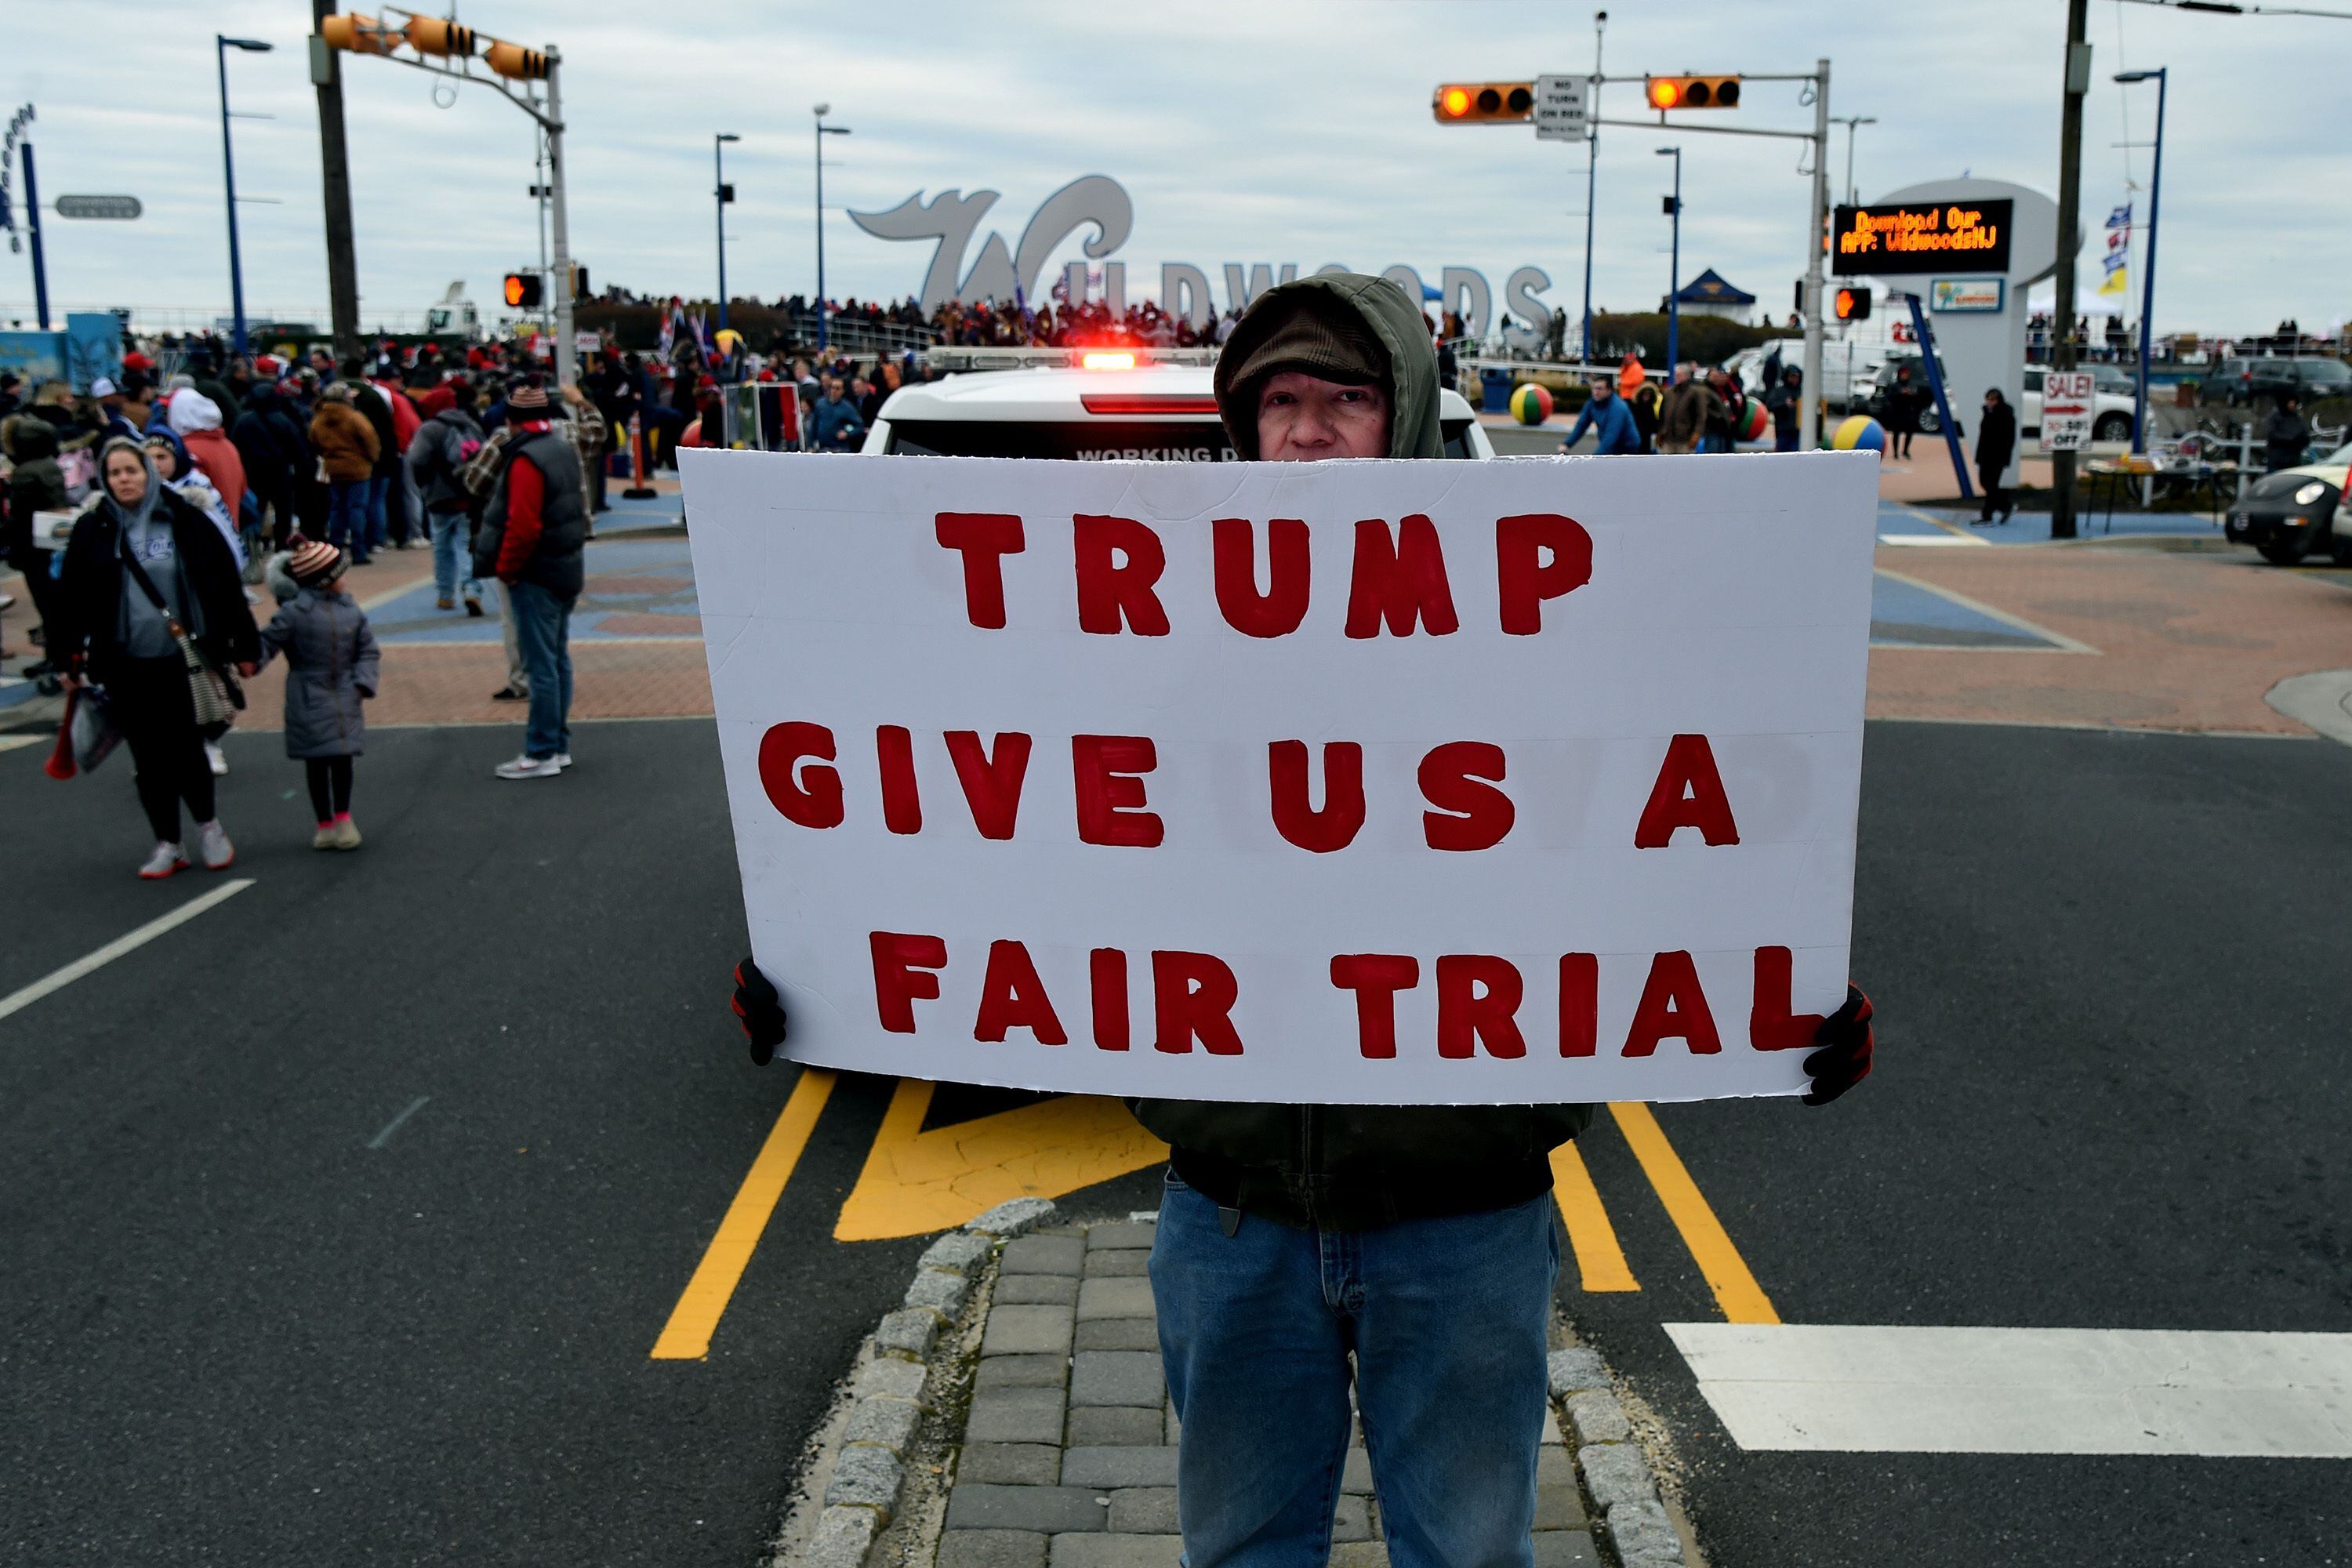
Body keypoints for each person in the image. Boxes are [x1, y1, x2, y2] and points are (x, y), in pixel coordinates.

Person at [728, 272, 1881, 1567]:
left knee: (1468, 1556)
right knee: (1241, 1553)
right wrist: (824, 964)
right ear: (1243, 425)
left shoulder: (1538, 645)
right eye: (1282, 401)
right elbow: (994, 827)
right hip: (1234, 1217)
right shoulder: (1148, 649)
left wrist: (1781, 1002)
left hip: (1466, 1217)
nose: (1313, 431)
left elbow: (1666, 833)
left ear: (1408, 424)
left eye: (1347, 398)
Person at [51, 438, 259, 878]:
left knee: (187, 749)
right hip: (125, 661)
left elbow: (221, 582)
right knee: (147, 758)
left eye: (132, 471)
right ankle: (168, 842)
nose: (123, 480)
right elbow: (71, 598)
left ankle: (209, 826)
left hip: (183, 659)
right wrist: (67, 656)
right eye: (114, 474)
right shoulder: (95, 528)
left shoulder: (184, 518)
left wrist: (243, 645)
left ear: (149, 472)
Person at [467, 379, 600, 778]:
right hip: (565, 566)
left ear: (511, 419)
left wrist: (507, 569)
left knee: (539, 663)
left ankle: (541, 750)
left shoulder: (524, 458)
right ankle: (557, 744)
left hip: (535, 572)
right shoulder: (562, 447)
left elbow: (521, 523)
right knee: (557, 659)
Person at [256, 539, 378, 850]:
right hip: (309, 693)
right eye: (340, 574)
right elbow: (266, 645)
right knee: (318, 762)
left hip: (343, 694)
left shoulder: (351, 611)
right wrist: (247, 657)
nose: (345, 580)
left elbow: (367, 650)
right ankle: (325, 821)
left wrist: (362, 682)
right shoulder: (295, 614)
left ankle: (342, 817)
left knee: (341, 760)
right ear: (326, 579)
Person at [407, 379, 488, 614]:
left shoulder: (430, 428)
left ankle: (445, 594)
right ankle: (472, 590)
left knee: (442, 546)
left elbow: (417, 460)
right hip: (468, 494)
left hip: (440, 495)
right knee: (466, 545)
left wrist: (425, 485)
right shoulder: (471, 425)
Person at [310, 383, 382, 564]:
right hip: (358, 468)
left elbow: (314, 441)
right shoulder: (354, 417)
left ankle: (336, 548)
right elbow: (371, 440)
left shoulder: (319, 418)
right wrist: (371, 459)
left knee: (337, 508)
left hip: (333, 467)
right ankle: (359, 550)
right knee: (357, 508)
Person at [1560, 374, 1642, 456]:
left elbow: (1611, 436)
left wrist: (1596, 459)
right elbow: (1581, 425)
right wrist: (1567, 444)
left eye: (1599, 389)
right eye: (1594, 388)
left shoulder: (1618, 407)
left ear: (1609, 390)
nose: (1595, 392)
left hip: (1627, 447)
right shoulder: (1592, 403)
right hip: (1610, 444)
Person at [1975, 387, 2016, 524]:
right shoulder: (1987, 413)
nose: (1989, 402)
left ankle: (1987, 516)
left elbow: (2009, 438)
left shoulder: (2005, 414)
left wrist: (2005, 455)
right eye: (1988, 399)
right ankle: (2005, 506)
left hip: (1997, 456)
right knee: (1984, 482)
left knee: (1991, 484)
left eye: (1993, 400)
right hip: (1985, 455)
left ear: (1999, 401)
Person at [1656, 370, 1714, 455]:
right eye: (1676, 375)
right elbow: (1662, 414)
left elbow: (1701, 416)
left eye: (1679, 375)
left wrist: (1697, 434)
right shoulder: (1668, 392)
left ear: (1687, 376)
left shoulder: (1695, 393)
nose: (1676, 377)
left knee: (1685, 465)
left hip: (1686, 439)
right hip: (1667, 438)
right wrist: (1660, 432)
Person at [810, 375, 866, 452]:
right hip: (822, 448)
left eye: (838, 388)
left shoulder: (847, 407)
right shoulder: (820, 404)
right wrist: (811, 444)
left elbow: (860, 425)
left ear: (843, 391)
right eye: (832, 388)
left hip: (840, 449)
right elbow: (814, 425)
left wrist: (848, 433)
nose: (834, 391)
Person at [1881, 365, 1926, 460]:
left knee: (1909, 432)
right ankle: (1895, 452)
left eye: (1906, 374)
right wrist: (1900, 393)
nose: (1905, 376)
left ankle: (1905, 450)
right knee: (1896, 433)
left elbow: (1917, 398)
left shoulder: (1911, 385)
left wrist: (1911, 394)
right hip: (1897, 412)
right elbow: (1889, 397)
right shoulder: (1894, 386)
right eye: (1903, 374)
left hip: (1908, 412)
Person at [2262, 391, 2311, 473]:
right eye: (2290, 403)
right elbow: (2272, 435)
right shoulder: (2274, 418)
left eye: (2294, 403)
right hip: (2277, 460)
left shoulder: (2297, 419)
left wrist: (2300, 441)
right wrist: (2291, 439)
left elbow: (2305, 434)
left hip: (2293, 460)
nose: (2292, 405)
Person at [1766, 365, 1804, 453]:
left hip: (1798, 431)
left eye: (1797, 377)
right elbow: (1770, 405)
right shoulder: (1778, 391)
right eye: (1792, 376)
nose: (1794, 379)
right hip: (1783, 431)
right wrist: (1784, 404)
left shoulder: (1803, 392)